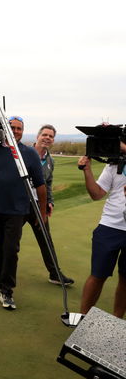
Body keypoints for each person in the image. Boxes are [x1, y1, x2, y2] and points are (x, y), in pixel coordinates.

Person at [0, 116, 46, 311]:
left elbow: (40, 185)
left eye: (19, 128)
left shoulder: (29, 154)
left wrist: (42, 212)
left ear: (23, 131)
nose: (15, 131)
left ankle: (7, 291)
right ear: (5, 129)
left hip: (17, 211)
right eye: (11, 127)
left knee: (11, 249)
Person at [78, 134, 126, 318]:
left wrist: (120, 146)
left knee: (125, 279)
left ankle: (117, 320)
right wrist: (87, 170)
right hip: (110, 227)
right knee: (98, 275)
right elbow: (97, 194)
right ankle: (84, 317)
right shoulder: (113, 165)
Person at [24, 125, 74, 285]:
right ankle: (2, 275)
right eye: (44, 134)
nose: (47, 138)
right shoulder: (22, 154)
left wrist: (49, 202)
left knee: (46, 239)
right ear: (37, 136)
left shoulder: (50, 161)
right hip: (19, 203)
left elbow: (48, 184)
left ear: (53, 140)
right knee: (11, 241)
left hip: (39, 205)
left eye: (50, 136)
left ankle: (54, 273)